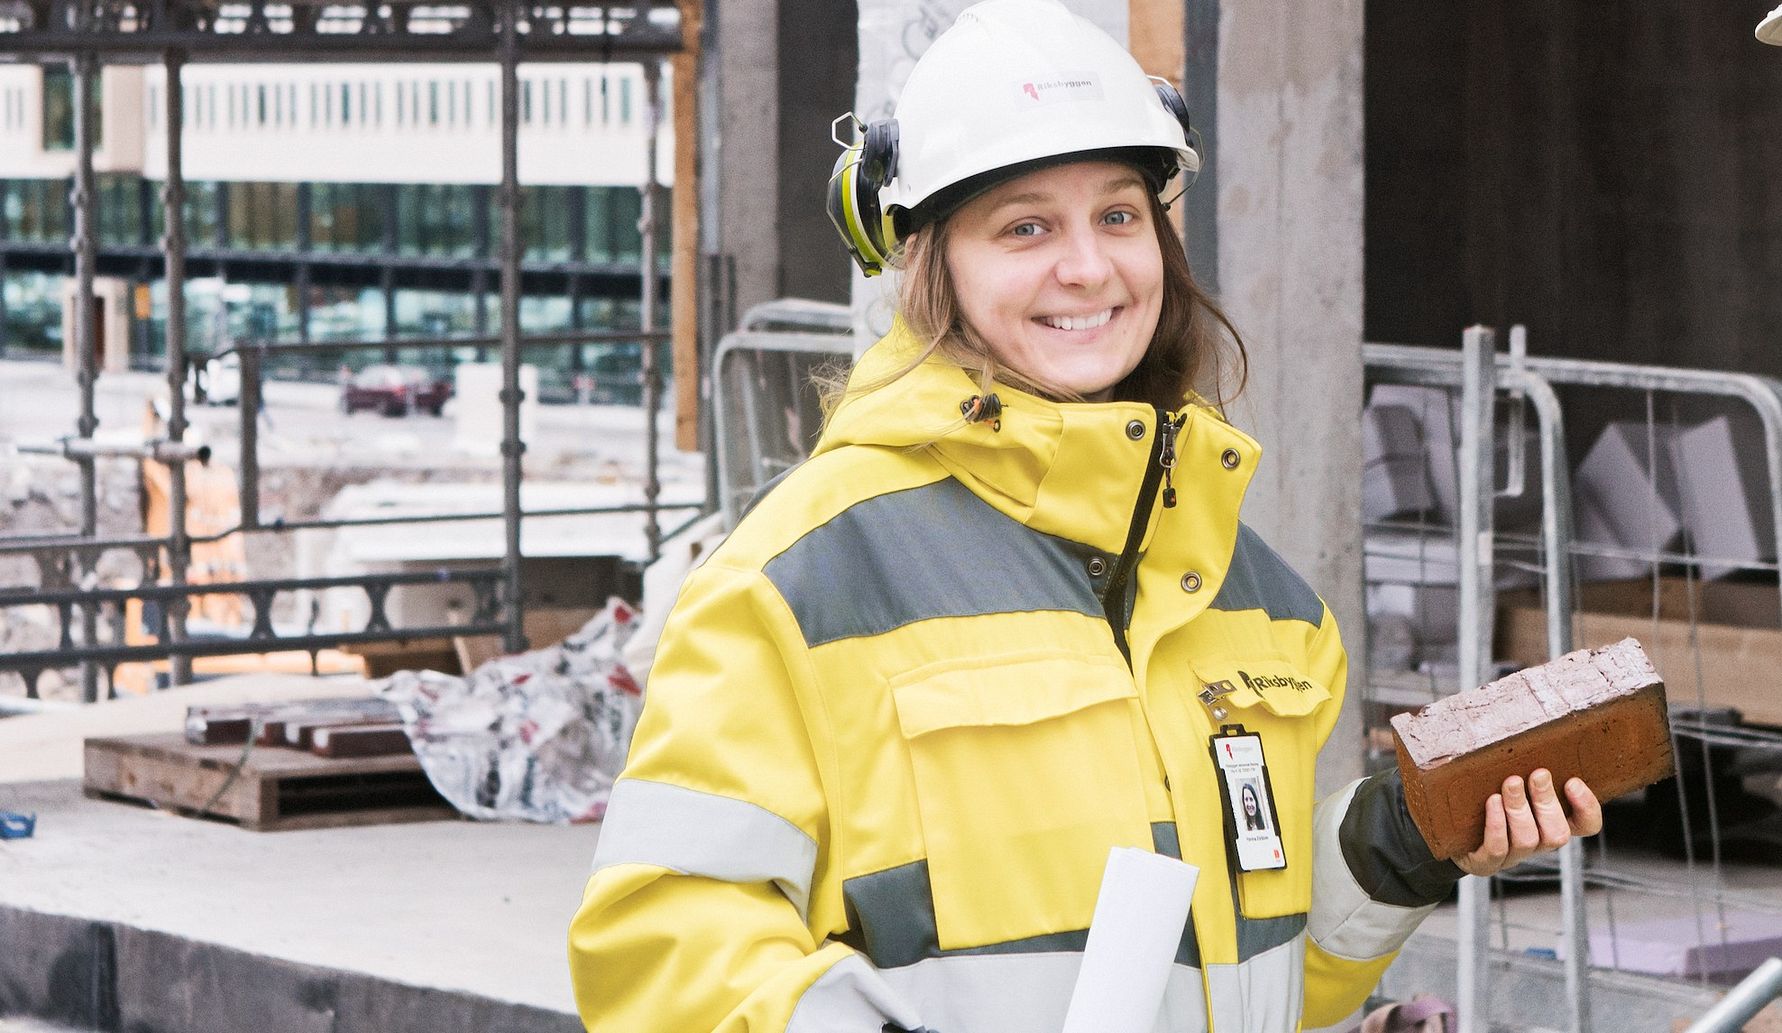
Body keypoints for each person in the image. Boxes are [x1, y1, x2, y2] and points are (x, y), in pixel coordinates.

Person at [568, 2, 1603, 1030]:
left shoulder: (1264, 602)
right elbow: (662, 954)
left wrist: (1402, 843)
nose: (1089, 267)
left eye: (1118, 215)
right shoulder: (800, 581)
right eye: (1025, 226)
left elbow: (1252, 982)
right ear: (931, 264)